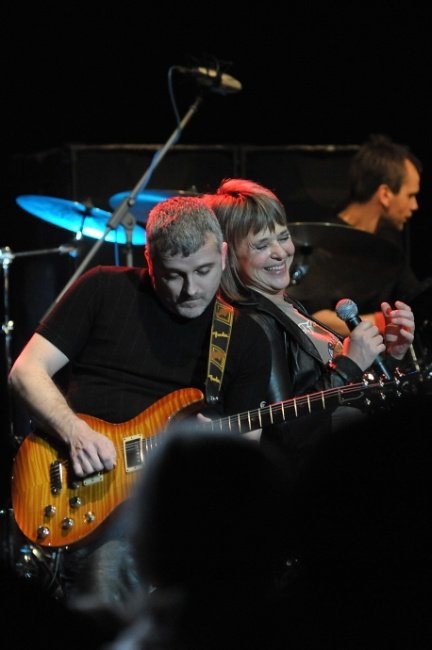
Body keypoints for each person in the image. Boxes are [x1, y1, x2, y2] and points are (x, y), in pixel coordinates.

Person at [7, 195, 273, 608]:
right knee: (108, 575)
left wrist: (210, 454)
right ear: (149, 261)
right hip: (86, 488)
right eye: (173, 275)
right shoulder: (103, 288)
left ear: (223, 255)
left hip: (176, 501)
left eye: (203, 271)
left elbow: (244, 453)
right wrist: (75, 432)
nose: (191, 290)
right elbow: (26, 372)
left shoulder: (245, 339)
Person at [202, 178, 416, 474]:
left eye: (283, 236)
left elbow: (358, 396)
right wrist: (348, 365)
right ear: (229, 255)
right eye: (262, 245)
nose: (280, 252)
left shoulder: (288, 305)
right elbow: (283, 431)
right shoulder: (255, 324)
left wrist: (393, 353)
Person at [289, 133, 426, 337]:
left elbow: (414, 297)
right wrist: (382, 322)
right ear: (385, 194)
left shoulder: (389, 242)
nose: (415, 206)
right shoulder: (320, 242)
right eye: (410, 195)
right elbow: (314, 318)